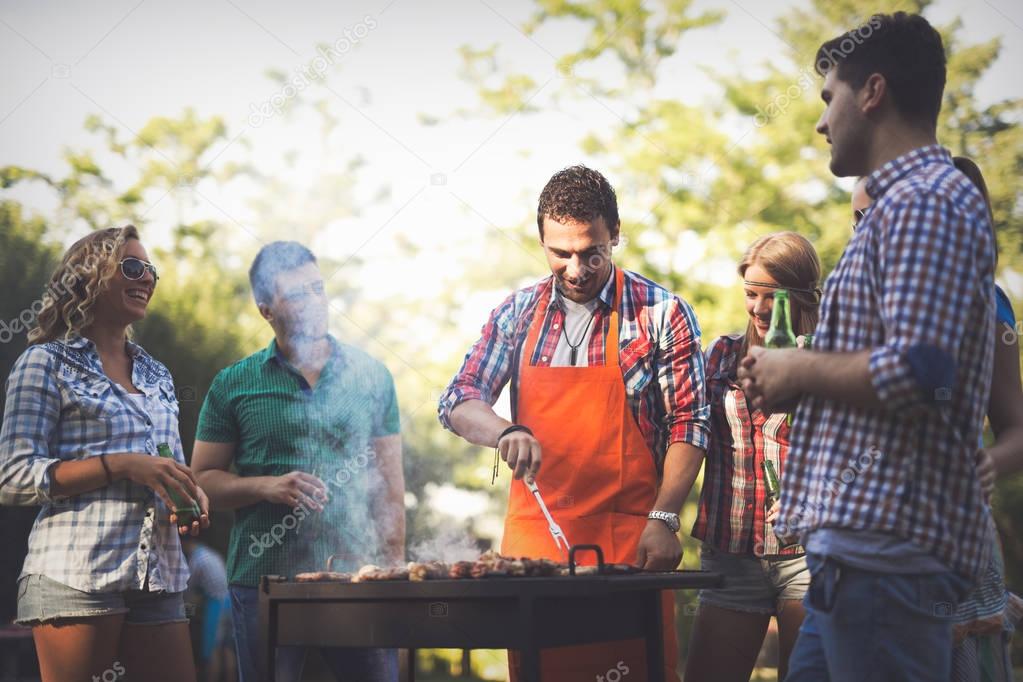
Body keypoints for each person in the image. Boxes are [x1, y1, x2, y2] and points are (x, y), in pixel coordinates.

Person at [739, 12, 997, 681]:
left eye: (829, 98)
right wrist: (791, 378)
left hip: (887, 555)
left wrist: (796, 365)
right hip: (853, 557)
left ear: (872, 92)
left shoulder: (922, 202)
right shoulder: (891, 209)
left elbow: (919, 368)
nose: (821, 122)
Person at [438, 165, 709, 682]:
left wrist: (666, 517)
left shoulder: (660, 313)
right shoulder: (517, 313)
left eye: (592, 252)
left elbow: (690, 423)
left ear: (615, 233)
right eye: (560, 253)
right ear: (542, 239)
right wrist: (505, 431)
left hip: (630, 541)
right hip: (536, 555)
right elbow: (459, 397)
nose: (577, 268)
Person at [0, 225, 210, 682]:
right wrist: (122, 465)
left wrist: (189, 493)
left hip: (159, 575)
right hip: (76, 575)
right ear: (89, 277)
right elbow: (13, 477)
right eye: (133, 266)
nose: (147, 279)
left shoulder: (157, 373)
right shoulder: (45, 363)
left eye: (151, 270)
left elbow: (168, 466)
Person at [191, 241, 404, 682]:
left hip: (356, 581)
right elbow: (201, 481)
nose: (314, 303)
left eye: (318, 288)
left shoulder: (372, 375)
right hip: (264, 583)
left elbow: (390, 488)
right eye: (297, 294)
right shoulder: (234, 384)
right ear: (266, 309)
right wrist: (266, 486)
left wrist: (394, 573)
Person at [685, 232, 820, 682]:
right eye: (751, 294)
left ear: (803, 298)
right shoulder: (721, 355)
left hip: (809, 554)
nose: (760, 309)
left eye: (774, 297)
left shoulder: (828, 361)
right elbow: (684, 432)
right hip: (731, 551)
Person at [182, 537, 236, 682]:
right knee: (227, 648)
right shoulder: (210, 553)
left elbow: (188, 590)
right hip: (230, 600)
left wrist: (184, 610)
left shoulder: (196, 559)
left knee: (211, 649)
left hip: (216, 604)